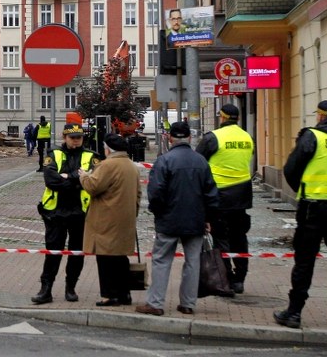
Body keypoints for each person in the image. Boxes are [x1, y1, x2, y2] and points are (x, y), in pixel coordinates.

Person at [273, 100, 327, 329]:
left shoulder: (313, 136)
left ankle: (294, 313)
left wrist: (302, 190)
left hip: (313, 208)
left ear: (321, 116)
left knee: (304, 262)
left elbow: (291, 168)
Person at [136, 121, 219, 316]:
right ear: (189, 138)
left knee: (161, 261)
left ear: (170, 138)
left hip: (169, 220)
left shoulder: (164, 161)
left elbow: (155, 193)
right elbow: (211, 194)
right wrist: (208, 217)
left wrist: (159, 214)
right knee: (193, 262)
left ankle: (155, 303)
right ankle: (188, 304)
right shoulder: (201, 161)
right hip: (196, 220)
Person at [31, 123, 99, 305]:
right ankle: (46, 290)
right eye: (72, 138)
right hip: (56, 213)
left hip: (80, 213)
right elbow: (51, 181)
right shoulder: (54, 155)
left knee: (77, 253)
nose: (76, 141)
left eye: (79, 138)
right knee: (53, 252)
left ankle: (71, 288)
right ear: (64, 137)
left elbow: (94, 180)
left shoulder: (91, 157)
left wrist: (68, 177)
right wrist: (78, 179)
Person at [196, 103, 254, 295]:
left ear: (221, 117)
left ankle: (226, 277)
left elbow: (198, 161)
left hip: (219, 196)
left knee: (221, 239)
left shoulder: (214, 137)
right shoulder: (247, 137)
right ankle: (240, 279)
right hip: (242, 197)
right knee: (240, 238)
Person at [79, 133, 140, 306]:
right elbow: (138, 193)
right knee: (121, 258)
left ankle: (109, 295)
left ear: (108, 149)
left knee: (105, 258)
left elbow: (93, 187)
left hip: (106, 218)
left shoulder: (108, 165)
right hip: (125, 218)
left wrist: (83, 176)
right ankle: (124, 293)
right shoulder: (131, 165)